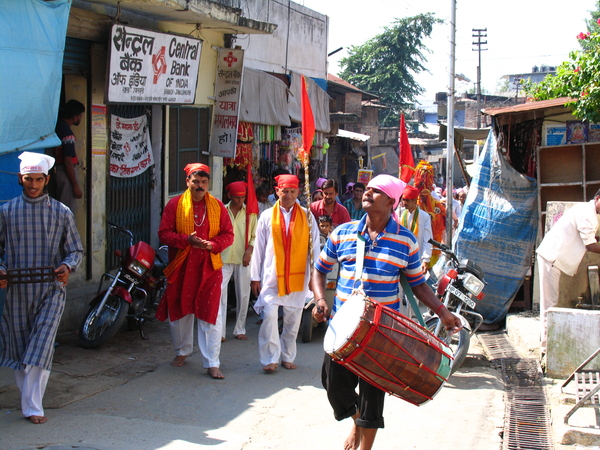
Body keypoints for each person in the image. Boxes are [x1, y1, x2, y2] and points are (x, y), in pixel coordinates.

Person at [312, 174, 462, 450]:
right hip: (341, 327)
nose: (367, 193)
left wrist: (442, 312)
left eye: (376, 191)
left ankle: (365, 444)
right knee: (333, 385)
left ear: (392, 202)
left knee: (372, 395)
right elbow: (319, 270)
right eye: (367, 189)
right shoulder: (342, 233)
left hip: (381, 331)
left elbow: (419, 285)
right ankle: (356, 421)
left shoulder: (405, 241)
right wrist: (320, 300)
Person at [0, 152, 83, 424]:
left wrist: (67, 267)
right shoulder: (7, 211)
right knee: (21, 347)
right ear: (21, 180)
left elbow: (75, 251)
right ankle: (29, 401)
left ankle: (33, 406)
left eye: (38, 179)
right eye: (28, 179)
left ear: (47, 180)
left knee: (41, 346)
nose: (33, 185)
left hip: (50, 291)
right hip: (17, 293)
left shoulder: (62, 213)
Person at [156, 163, 234, 379]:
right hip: (181, 265)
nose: (199, 186)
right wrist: (185, 240)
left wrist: (213, 245)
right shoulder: (174, 205)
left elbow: (229, 234)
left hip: (209, 267)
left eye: (203, 182)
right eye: (195, 181)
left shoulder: (218, 206)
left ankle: (212, 362)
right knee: (179, 312)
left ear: (208, 183)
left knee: (210, 315)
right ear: (187, 182)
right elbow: (163, 234)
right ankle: (182, 352)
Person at [250, 174, 320, 373]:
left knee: (293, 318)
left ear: (298, 192)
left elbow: (314, 246)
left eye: (292, 191)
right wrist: (255, 276)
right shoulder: (266, 216)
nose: (288, 195)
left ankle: (287, 356)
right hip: (272, 275)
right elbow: (259, 248)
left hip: (299, 275)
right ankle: (269, 358)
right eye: (284, 191)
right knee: (270, 315)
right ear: (277, 191)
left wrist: (315, 276)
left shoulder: (307, 215)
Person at [536, 190, 600, 354]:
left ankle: (545, 342)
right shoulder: (587, 213)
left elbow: (590, 237)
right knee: (549, 304)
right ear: (597, 198)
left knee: (550, 302)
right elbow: (590, 245)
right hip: (552, 258)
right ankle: (546, 348)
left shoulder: (588, 211)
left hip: (554, 258)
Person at [219, 181, 257, 341]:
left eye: (242, 198)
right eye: (237, 198)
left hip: (244, 257)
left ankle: (239, 328)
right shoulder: (221, 211)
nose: (240, 201)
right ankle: (219, 331)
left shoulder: (251, 213)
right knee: (220, 293)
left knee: (243, 293)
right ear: (229, 196)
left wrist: (249, 250)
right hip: (224, 256)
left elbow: (254, 236)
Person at [48, 100, 85, 211]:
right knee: (66, 210)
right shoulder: (67, 133)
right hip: (64, 173)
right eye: (80, 116)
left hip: (53, 172)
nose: (80, 118)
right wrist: (75, 186)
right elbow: (68, 162)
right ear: (74, 117)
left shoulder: (56, 127)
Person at [398, 185, 433, 272]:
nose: (404, 203)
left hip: (417, 257)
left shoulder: (424, 216)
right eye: (404, 200)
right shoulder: (399, 213)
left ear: (414, 200)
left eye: (407, 200)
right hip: (400, 256)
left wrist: (426, 259)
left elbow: (428, 239)